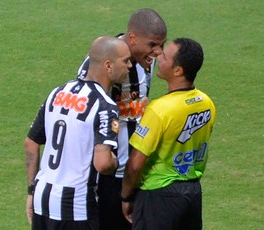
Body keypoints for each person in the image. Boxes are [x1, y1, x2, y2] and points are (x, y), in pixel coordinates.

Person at [24, 36, 132, 230]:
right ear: (108, 65)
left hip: (43, 198)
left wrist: (31, 191)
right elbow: (103, 163)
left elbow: (30, 143)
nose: (130, 66)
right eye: (125, 61)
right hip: (76, 207)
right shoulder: (105, 107)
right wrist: (116, 161)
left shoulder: (57, 93)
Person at [77, 8, 167, 230]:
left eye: (162, 45)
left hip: (137, 168)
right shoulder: (103, 60)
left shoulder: (146, 60)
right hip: (108, 174)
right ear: (133, 38)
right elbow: (84, 106)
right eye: (153, 45)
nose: (158, 52)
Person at [121, 38, 217, 230]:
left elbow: (135, 165)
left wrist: (126, 196)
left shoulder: (159, 110)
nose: (158, 56)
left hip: (157, 196)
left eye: (164, 56)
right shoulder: (206, 103)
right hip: (192, 193)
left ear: (177, 71)